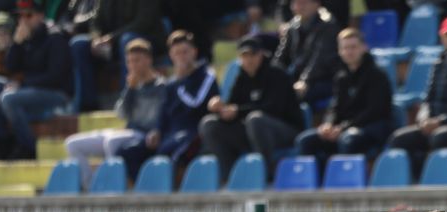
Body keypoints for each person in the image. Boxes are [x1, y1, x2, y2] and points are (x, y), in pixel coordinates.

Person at [386, 15, 447, 179]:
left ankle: (438, 182)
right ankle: (413, 182)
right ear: (441, 37)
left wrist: (441, 121)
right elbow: (429, 98)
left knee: (439, 137)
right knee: (399, 140)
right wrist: (424, 116)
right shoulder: (439, 63)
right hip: (433, 122)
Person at [199, 35, 304, 181]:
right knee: (209, 124)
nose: (249, 59)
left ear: (261, 54)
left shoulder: (276, 73)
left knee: (255, 119)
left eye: (252, 54)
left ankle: (266, 173)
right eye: (244, 55)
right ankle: (229, 175)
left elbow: (273, 108)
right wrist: (220, 108)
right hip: (253, 132)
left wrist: (238, 111)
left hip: (286, 130)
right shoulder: (241, 77)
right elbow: (233, 106)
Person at [65, 38, 165, 189]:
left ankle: (114, 186)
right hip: (128, 131)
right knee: (73, 144)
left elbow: (159, 118)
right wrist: (130, 89)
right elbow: (121, 114)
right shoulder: (132, 86)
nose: (132, 66)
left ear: (148, 60)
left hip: (144, 133)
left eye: (137, 60)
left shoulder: (161, 86)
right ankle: (92, 187)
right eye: (129, 61)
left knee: (112, 142)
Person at [119, 30, 217, 182]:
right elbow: (163, 111)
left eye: (185, 52)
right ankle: (146, 190)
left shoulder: (206, 76)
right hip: (169, 135)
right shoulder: (172, 83)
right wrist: (156, 131)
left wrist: (180, 83)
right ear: (171, 55)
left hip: (193, 133)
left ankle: (164, 192)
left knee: (170, 156)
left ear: (194, 52)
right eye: (177, 53)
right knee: (126, 152)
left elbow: (196, 104)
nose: (181, 57)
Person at [295, 28, 393, 168]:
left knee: (348, 140)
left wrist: (342, 128)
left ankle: (344, 182)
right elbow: (334, 107)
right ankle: (314, 184)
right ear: (340, 51)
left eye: (353, 47)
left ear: (364, 48)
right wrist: (328, 124)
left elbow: (374, 111)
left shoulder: (377, 75)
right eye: (345, 48)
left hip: (371, 128)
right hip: (344, 128)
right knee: (306, 140)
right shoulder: (341, 77)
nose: (349, 52)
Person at [0, 0, 73, 159]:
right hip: (29, 91)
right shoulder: (25, 38)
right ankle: (4, 141)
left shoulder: (55, 37)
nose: (24, 20)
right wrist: (17, 44)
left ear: (41, 16)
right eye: (20, 16)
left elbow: (55, 78)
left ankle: (29, 147)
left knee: (8, 99)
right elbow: (10, 68)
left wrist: (23, 83)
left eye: (29, 15)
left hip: (56, 95)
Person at [68, 0, 166, 112]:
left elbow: (143, 22)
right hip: (114, 42)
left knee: (127, 40)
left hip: (143, 40)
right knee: (79, 44)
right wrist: (96, 39)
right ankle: (88, 104)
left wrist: (112, 38)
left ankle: (127, 99)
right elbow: (96, 21)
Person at [273, 0, 339, 106]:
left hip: (324, 80)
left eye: (303, 3)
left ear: (316, 4)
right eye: (296, 3)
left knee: (289, 96)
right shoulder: (292, 26)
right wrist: (271, 76)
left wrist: (305, 81)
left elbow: (319, 60)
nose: (299, 7)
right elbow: (281, 57)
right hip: (299, 78)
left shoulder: (327, 24)